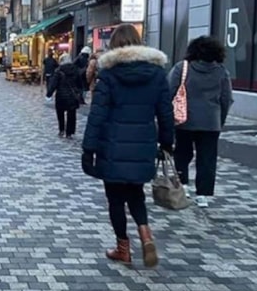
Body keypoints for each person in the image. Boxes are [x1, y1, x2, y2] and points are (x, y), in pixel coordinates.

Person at [82, 24, 174, 268]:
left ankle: (123, 249)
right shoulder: (157, 74)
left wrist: (88, 149)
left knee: (115, 200)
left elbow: (97, 115)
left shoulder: (109, 75)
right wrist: (167, 142)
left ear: (113, 45)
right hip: (143, 145)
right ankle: (146, 234)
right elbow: (166, 112)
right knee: (136, 194)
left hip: (112, 146)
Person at [169, 36, 233, 208]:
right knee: (207, 158)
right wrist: (220, 119)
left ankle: (183, 184)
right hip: (211, 122)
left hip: (184, 120)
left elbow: (169, 91)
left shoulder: (182, 68)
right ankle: (203, 194)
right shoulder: (221, 71)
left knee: (182, 153)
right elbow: (226, 99)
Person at [46, 54, 81, 139]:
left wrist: (49, 94)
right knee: (71, 115)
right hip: (72, 96)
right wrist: (79, 92)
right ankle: (69, 132)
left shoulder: (58, 71)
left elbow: (53, 84)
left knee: (60, 114)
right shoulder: (75, 70)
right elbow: (80, 83)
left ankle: (61, 130)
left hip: (61, 96)